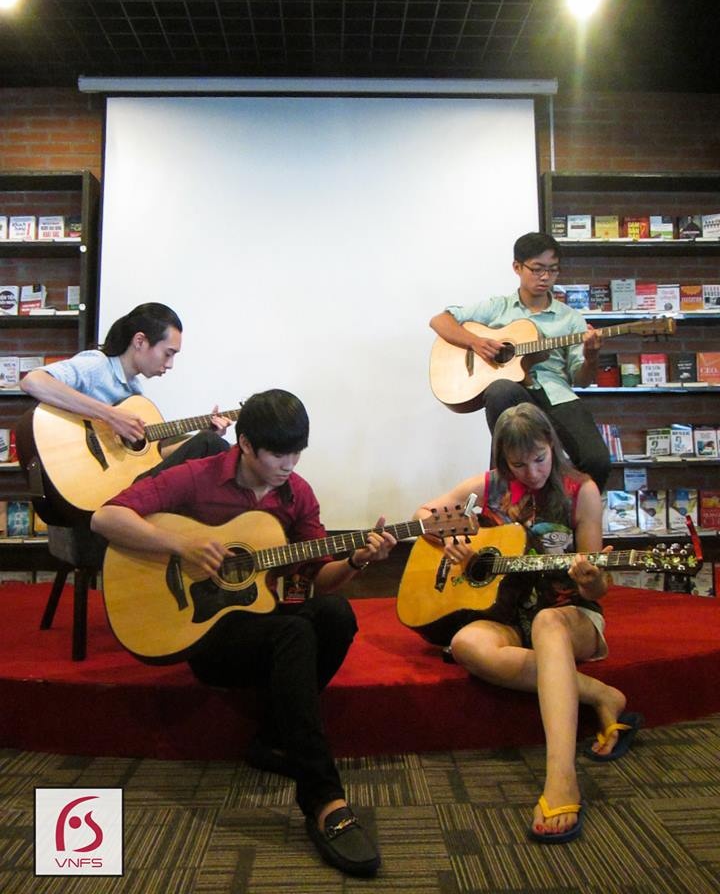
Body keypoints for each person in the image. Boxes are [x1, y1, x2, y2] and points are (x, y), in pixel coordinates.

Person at [91, 388, 396, 876]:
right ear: (247, 444)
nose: (288, 465)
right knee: (295, 635)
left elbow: (320, 578)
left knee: (336, 614)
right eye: (278, 454)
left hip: (262, 627)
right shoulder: (197, 476)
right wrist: (182, 546)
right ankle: (324, 799)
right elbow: (106, 517)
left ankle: (274, 737)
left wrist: (358, 560)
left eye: (297, 453)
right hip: (203, 634)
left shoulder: (297, 494)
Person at [414, 403, 642, 844]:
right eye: (518, 464)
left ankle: (561, 779)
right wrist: (453, 536)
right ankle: (600, 693)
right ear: (503, 459)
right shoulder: (489, 486)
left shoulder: (581, 491)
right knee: (465, 644)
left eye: (539, 458)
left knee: (547, 625)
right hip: (508, 614)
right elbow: (424, 515)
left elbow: (597, 589)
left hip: (570, 614)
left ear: (552, 446)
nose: (532, 472)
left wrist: (592, 580)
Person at [429, 231, 611, 491]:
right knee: (501, 389)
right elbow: (440, 320)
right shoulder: (498, 307)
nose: (545, 277)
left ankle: (563, 506)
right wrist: (476, 342)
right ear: (517, 267)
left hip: (556, 395)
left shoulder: (570, 319)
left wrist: (591, 357)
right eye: (537, 269)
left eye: (553, 270)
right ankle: (505, 494)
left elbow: (582, 379)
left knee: (597, 461)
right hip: (513, 395)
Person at [20, 302, 231, 481]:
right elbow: (33, 381)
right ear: (140, 341)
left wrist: (200, 438)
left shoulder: (135, 392)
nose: (170, 364)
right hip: (73, 472)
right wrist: (109, 415)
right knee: (211, 445)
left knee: (209, 444)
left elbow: (152, 457)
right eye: (168, 354)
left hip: (107, 482)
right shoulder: (98, 365)